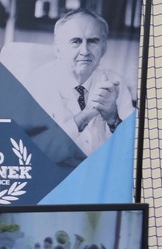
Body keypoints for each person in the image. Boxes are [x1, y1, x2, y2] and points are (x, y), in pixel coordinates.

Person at [27, 8, 134, 158]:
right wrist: (85, 115)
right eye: (76, 41)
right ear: (58, 50)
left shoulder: (116, 83)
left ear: (104, 48)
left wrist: (113, 118)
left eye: (93, 41)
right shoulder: (38, 82)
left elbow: (134, 150)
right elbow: (33, 152)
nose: (85, 51)